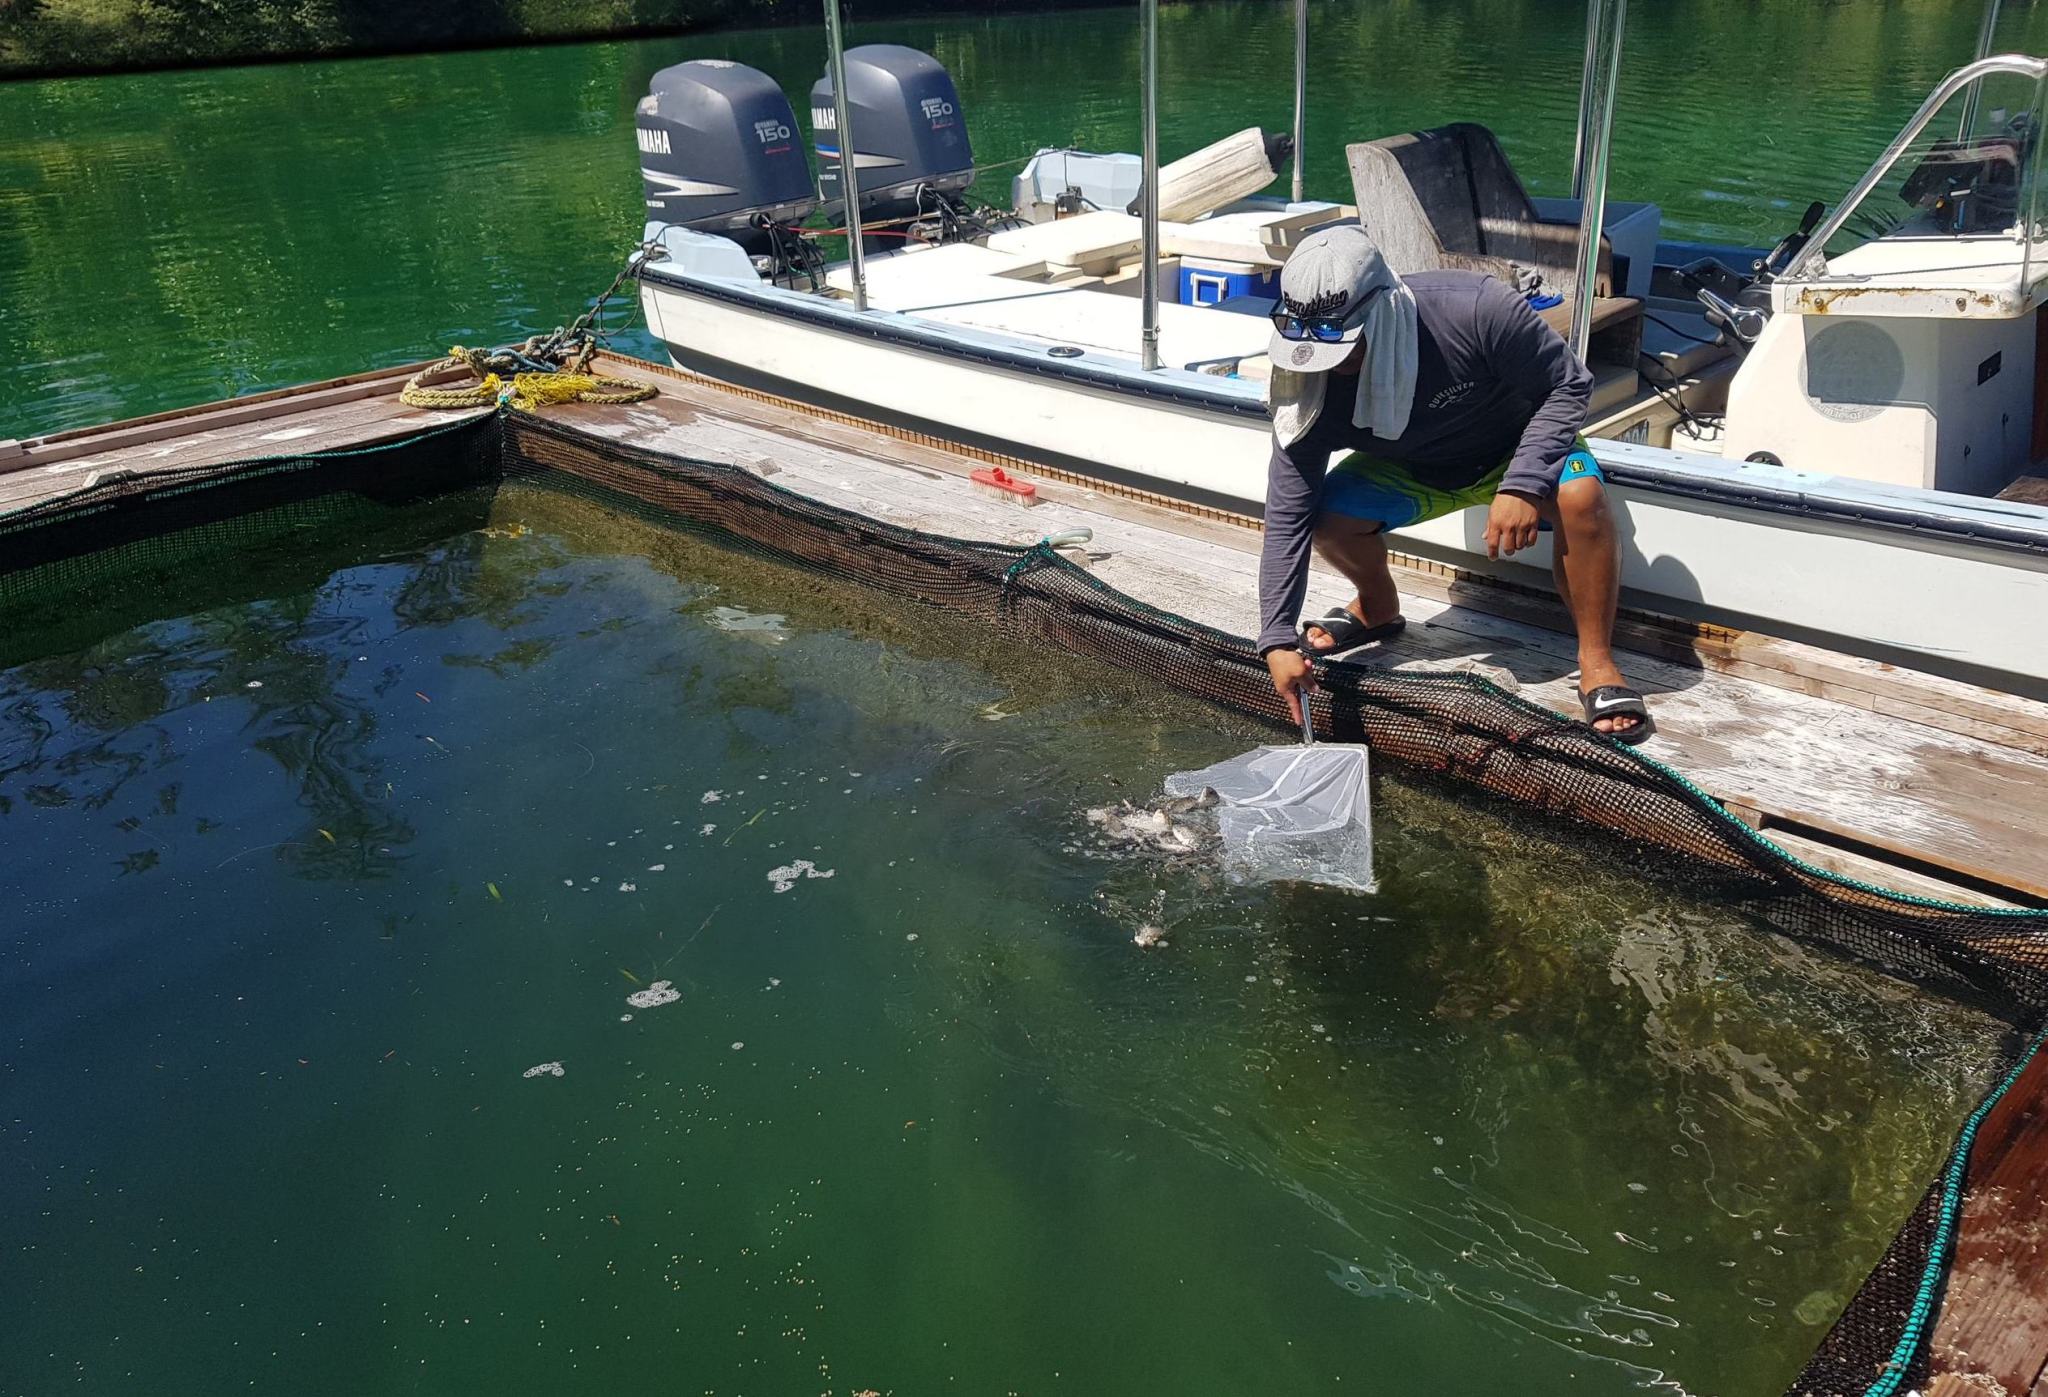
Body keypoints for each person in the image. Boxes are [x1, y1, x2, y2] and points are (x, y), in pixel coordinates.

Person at [1256, 225, 1651, 743]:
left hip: (1513, 451)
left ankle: (1597, 660)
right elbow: (1289, 508)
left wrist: (1524, 485)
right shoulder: (1306, 384)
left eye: (1346, 349)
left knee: (1581, 496)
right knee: (1326, 518)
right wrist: (1277, 638)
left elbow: (1569, 384)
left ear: (1385, 310)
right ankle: (1377, 607)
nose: (1335, 367)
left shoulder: (1477, 309)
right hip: (1414, 468)